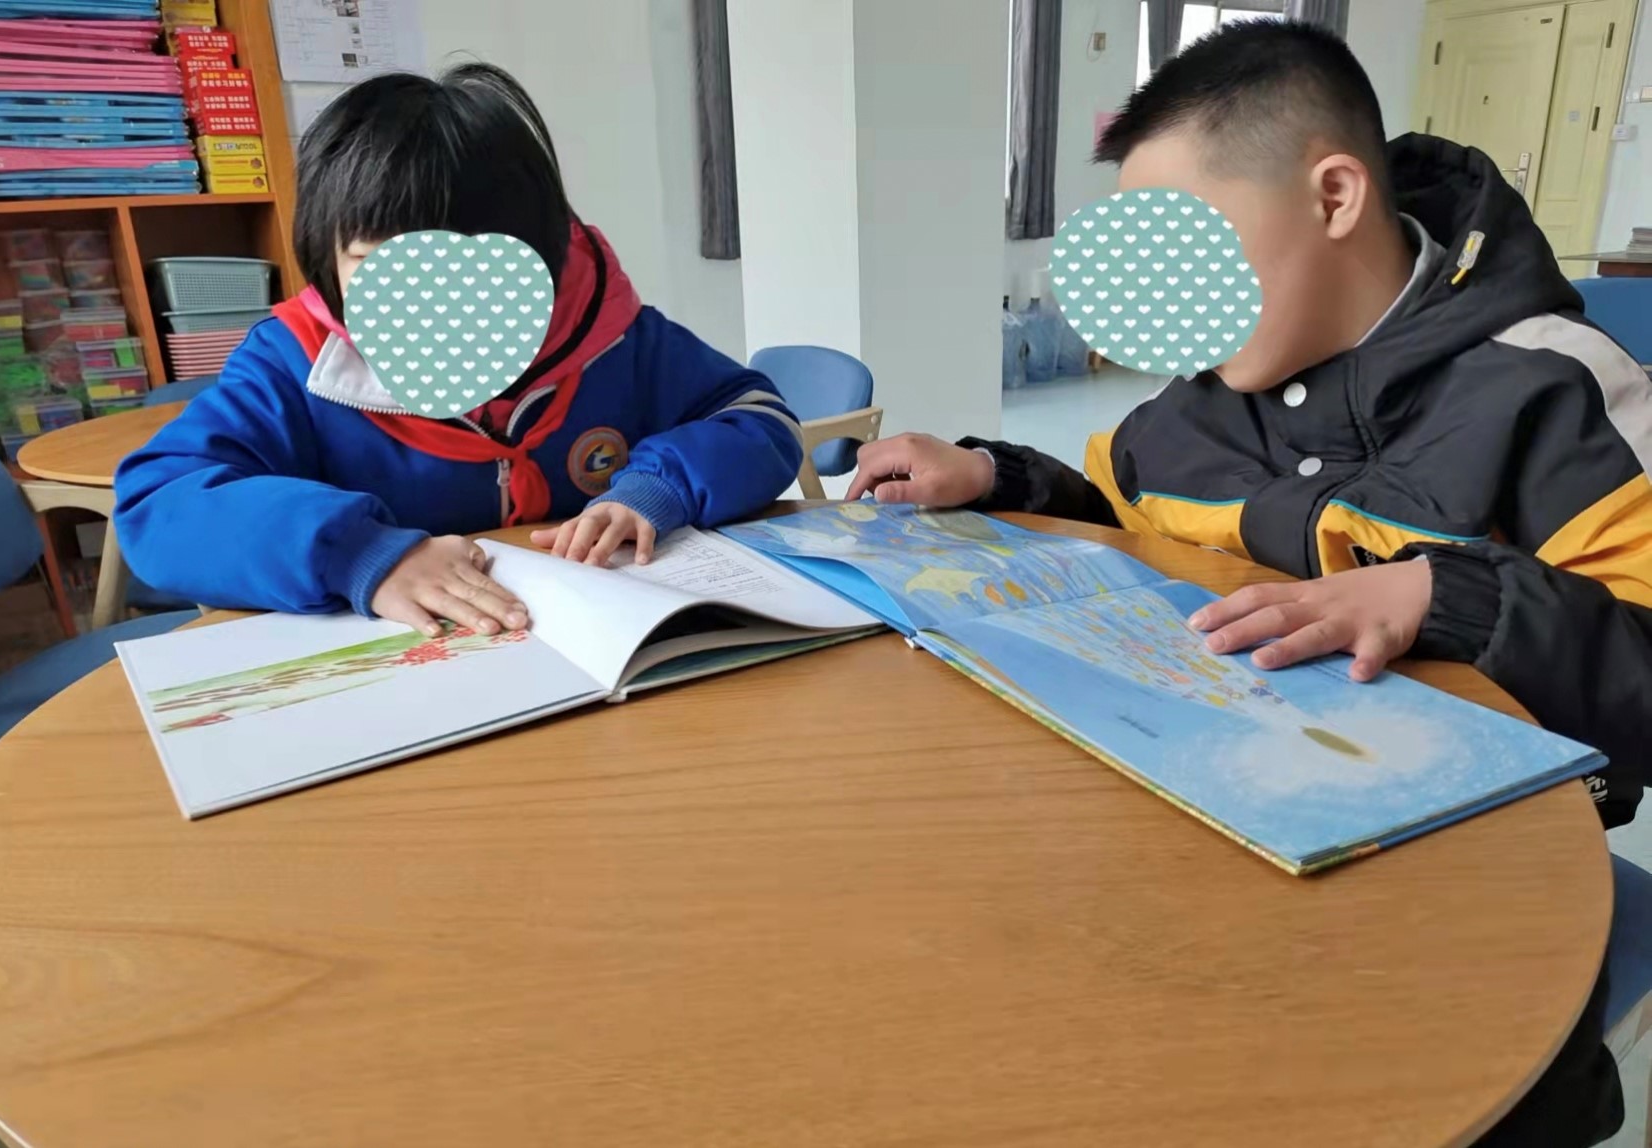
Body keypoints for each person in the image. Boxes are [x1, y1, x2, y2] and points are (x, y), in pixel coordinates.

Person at [850, 20, 1647, 1146]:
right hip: (1224, 834)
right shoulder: (1195, 405)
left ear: (1335, 196)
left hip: (1478, 897)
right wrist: (995, 473)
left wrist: (1446, 595)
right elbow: (1128, 524)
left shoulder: (1555, 392)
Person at [115, 64, 802, 638]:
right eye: (379, 268)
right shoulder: (296, 365)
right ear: (327, 257)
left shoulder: (618, 338)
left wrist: (660, 489)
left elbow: (757, 417)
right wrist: (361, 553)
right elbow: (159, 504)